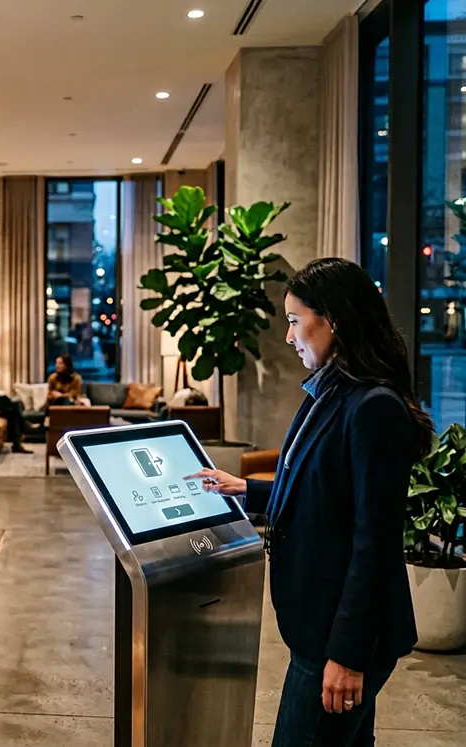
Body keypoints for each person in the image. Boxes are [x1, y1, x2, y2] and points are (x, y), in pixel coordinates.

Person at [186, 258, 433, 747]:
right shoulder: (332, 390)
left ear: (333, 320)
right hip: (320, 629)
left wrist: (347, 656)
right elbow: (325, 492)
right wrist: (247, 488)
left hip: (337, 640)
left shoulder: (373, 407)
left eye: (295, 320)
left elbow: (374, 543)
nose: (288, 335)